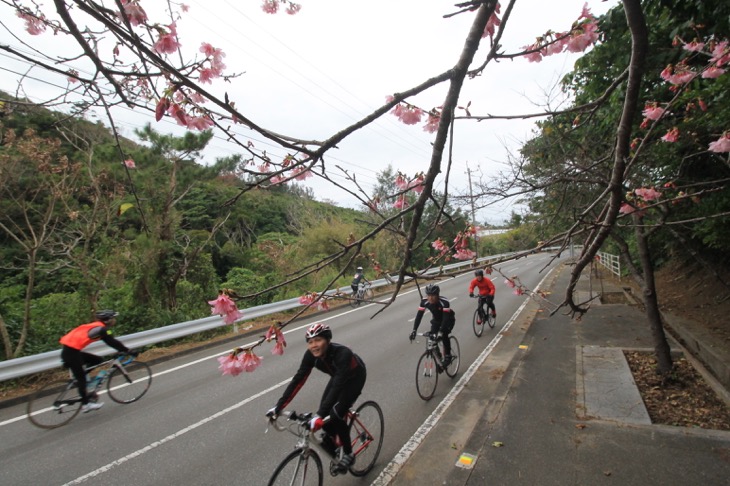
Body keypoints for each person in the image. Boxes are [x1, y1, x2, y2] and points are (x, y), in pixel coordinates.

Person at [267, 323, 367, 472]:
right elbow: (298, 380)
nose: (314, 345)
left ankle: (348, 453)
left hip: (354, 377)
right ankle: (334, 442)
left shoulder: (342, 353)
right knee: (325, 419)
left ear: (327, 340)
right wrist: (278, 407)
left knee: (335, 413)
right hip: (338, 376)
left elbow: (338, 385)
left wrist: (320, 414)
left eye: (318, 340)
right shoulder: (310, 356)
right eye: (310, 342)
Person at [59, 310, 132, 413]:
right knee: (81, 380)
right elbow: (112, 342)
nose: (115, 320)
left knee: (97, 360)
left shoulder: (96, 326)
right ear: (108, 320)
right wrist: (127, 350)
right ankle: (86, 405)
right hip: (71, 354)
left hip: (71, 351)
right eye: (113, 318)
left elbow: (111, 340)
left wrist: (122, 349)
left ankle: (82, 377)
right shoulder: (102, 329)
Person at [409, 284, 456, 366]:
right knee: (431, 336)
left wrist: (441, 331)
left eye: (433, 296)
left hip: (448, 319)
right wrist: (414, 330)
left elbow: (445, 319)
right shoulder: (424, 301)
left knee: (444, 334)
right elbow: (419, 316)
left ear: (437, 295)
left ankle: (448, 356)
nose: (430, 298)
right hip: (436, 320)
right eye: (428, 295)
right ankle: (438, 355)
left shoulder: (444, 302)